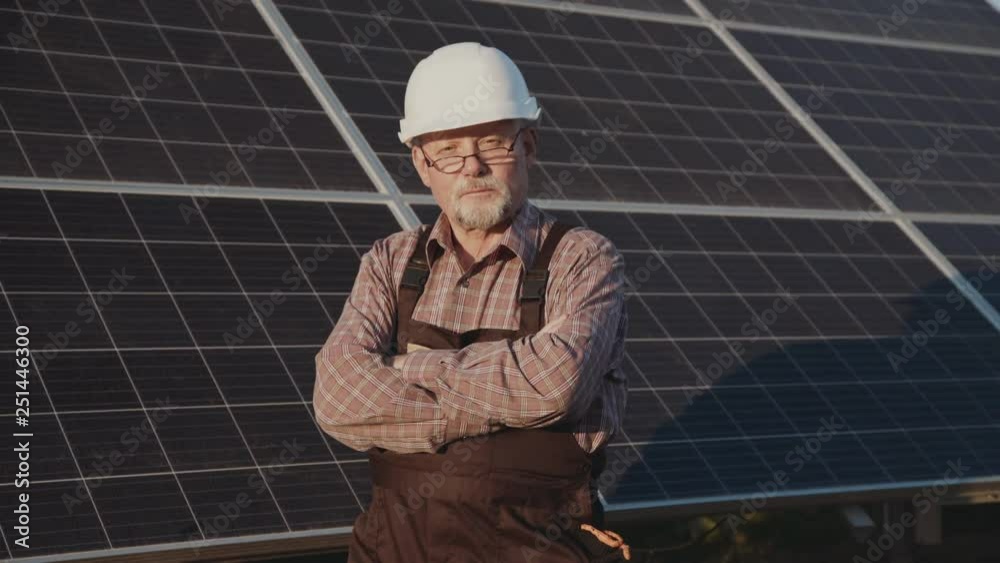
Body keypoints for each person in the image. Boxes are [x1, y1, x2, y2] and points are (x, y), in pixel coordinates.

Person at [313, 42, 631, 562]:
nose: (473, 166)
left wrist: (408, 369)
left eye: (492, 143)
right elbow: (337, 399)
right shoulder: (390, 261)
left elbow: (553, 387)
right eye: (448, 151)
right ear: (422, 164)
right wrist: (499, 399)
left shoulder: (582, 258)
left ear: (528, 145)